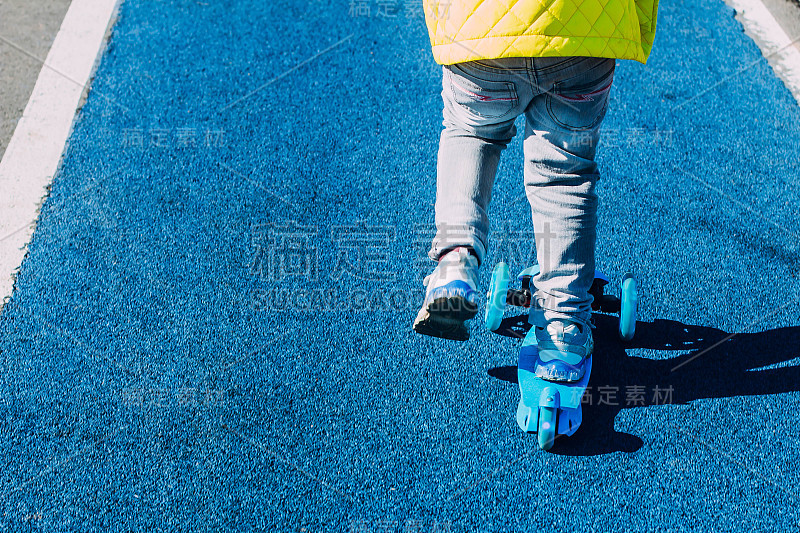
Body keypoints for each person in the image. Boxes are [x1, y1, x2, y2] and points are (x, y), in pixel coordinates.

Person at [413, 0, 658, 382]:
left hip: (482, 30)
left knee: (471, 132)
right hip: (583, 32)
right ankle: (563, 325)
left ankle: (456, 261)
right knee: (565, 174)